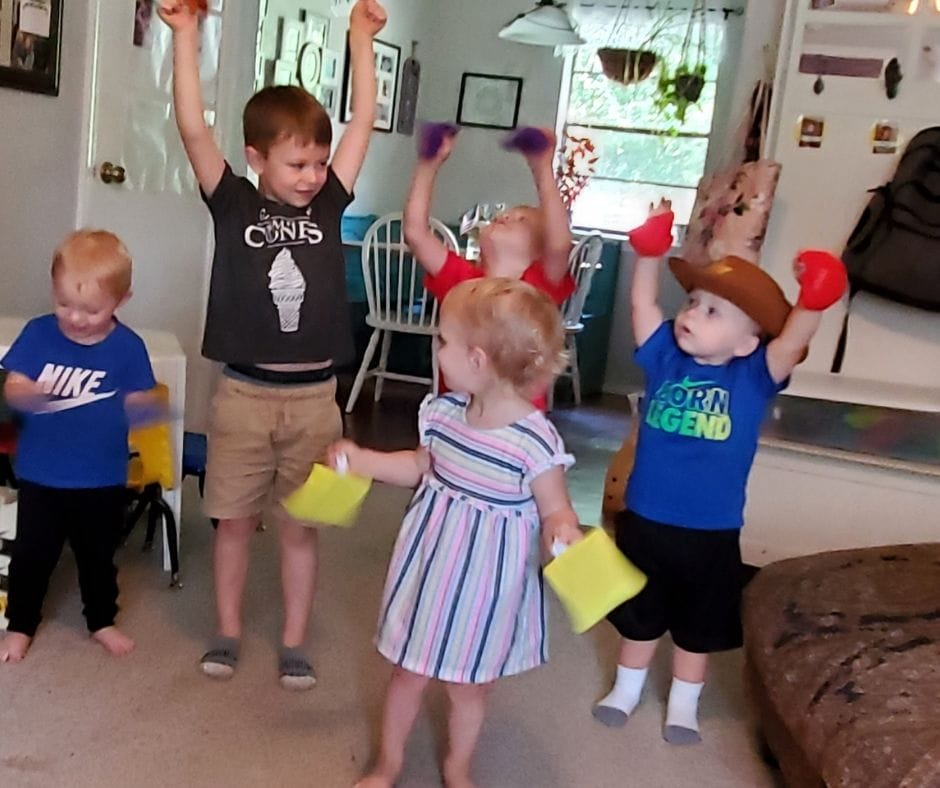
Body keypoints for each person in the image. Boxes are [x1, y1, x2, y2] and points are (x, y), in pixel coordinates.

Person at [158, 0, 388, 689]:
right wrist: (188, 37)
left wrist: (360, 41)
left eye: (319, 161)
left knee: (301, 528)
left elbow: (364, 122)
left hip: (317, 400)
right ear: (257, 158)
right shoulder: (232, 202)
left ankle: (293, 639)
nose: (313, 174)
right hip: (243, 397)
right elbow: (192, 125)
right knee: (231, 522)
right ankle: (227, 630)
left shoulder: (328, 204)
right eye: (297, 163)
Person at [593, 202, 847, 744]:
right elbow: (641, 302)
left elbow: (793, 342)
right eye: (692, 301)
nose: (690, 313)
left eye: (713, 312)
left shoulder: (754, 376)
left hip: (711, 531)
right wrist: (648, 253)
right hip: (645, 519)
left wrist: (815, 300)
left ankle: (684, 705)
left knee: (697, 627)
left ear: (746, 342)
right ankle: (627, 688)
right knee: (638, 616)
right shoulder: (665, 357)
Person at [330, 278, 582, 788]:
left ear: (478, 360)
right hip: (430, 567)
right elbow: (421, 465)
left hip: (488, 585)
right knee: (408, 672)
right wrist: (364, 460)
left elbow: (556, 509)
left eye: (442, 340)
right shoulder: (443, 415)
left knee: (469, 688)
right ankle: (388, 764)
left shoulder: (535, 441)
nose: (435, 348)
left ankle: (457, 765)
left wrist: (563, 532)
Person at [0, 230, 158, 663]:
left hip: (102, 475)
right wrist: (24, 394)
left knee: (98, 556)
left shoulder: (128, 348)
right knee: (32, 554)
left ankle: (101, 620)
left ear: (122, 301)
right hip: (41, 472)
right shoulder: (39, 334)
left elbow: (138, 398)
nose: (74, 317)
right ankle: (20, 624)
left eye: (91, 309)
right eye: (64, 304)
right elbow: (12, 385)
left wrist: (145, 407)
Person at [403, 127, 576, 408]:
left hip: (514, 428)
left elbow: (560, 244)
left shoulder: (536, 288)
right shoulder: (462, 281)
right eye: (503, 214)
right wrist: (428, 165)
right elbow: (415, 234)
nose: (505, 215)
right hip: (458, 418)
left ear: (537, 252)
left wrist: (541, 166)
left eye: (521, 220)